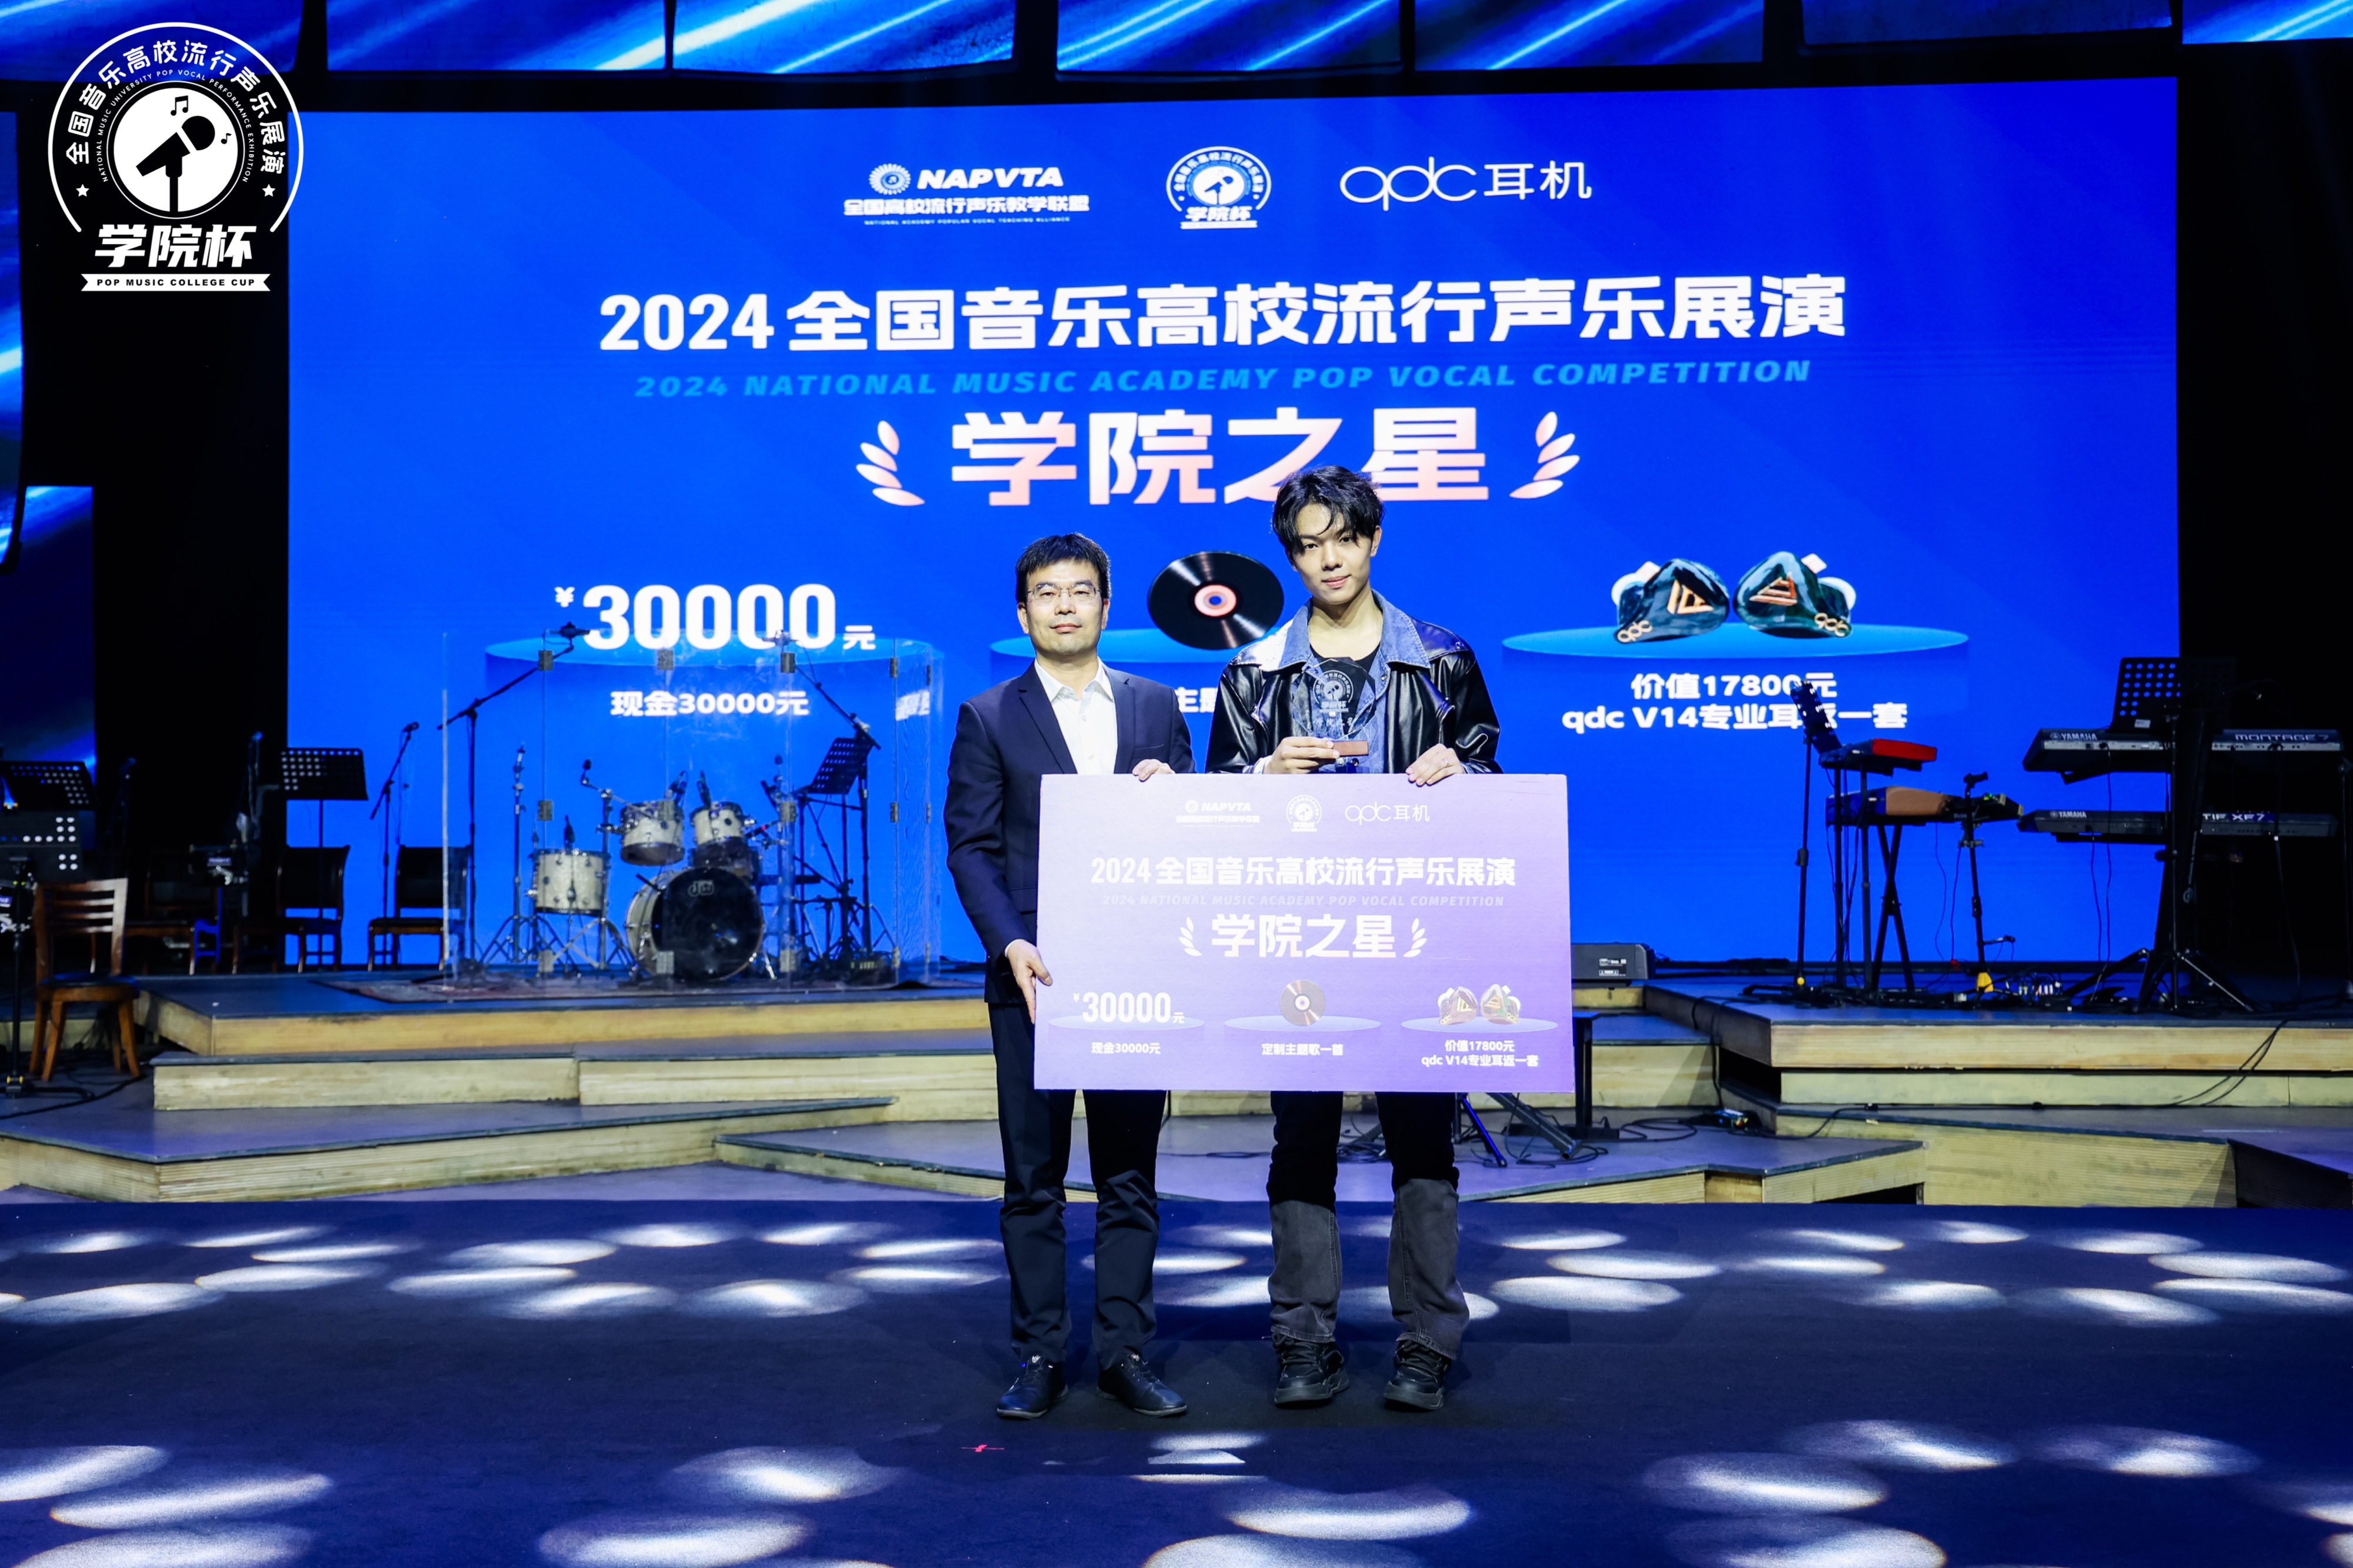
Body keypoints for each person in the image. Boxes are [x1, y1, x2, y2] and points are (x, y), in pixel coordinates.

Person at [1207, 465, 1501, 1412]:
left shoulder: (1444, 659)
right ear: (1291, 556)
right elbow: (1214, 813)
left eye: (1343, 538)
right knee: (1302, 1136)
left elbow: (1496, 793)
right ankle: (1303, 1338)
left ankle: (1428, 1341)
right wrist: (1263, 777)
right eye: (1308, 544)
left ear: (1373, 540)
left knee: (1423, 1132)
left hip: (1417, 934)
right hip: (1301, 934)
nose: (1328, 558)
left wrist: (1465, 772)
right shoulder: (1253, 672)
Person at [946, 532, 1195, 1422]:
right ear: (1024, 612)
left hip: (1134, 970)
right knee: (1033, 1178)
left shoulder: (1156, 705)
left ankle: (1126, 1352)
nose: (1063, 606)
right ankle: (1040, 1354)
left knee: (1129, 1175)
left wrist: (1177, 794)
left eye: (1080, 591)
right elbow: (971, 848)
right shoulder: (987, 715)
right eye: (1047, 593)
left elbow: (1193, 834)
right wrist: (1010, 945)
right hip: (1034, 976)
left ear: (1104, 605)